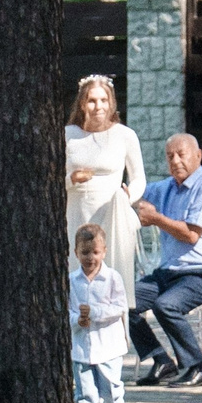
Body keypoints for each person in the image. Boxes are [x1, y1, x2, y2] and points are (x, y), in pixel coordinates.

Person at [130, 133, 202, 387]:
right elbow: (134, 196)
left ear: (198, 156)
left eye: (181, 154)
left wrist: (156, 218)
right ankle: (161, 361)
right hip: (169, 273)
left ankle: (198, 367)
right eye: (169, 155)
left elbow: (191, 235)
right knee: (121, 300)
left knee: (166, 305)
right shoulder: (165, 187)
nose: (175, 161)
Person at [64, 75, 145, 272]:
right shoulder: (68, 135)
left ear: (111, 103)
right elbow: (50, 181)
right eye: (92, 100)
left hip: (112, 211)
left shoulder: (125, 135)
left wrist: (128, 196)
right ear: (82, 103)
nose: (98, 106)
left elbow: (139, 178)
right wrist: (72, 179)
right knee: (77, 270)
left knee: (111, 271)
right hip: (77, 211)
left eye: (103, 100)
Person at [71, 222, 131, 403]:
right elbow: (65, 310)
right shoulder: (71, 281)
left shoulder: (113, 278)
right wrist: (77, 319)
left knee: (110, 388)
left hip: (108, 347)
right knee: (85, 391)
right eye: (85, 252)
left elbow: (119, 307)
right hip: (81, 346)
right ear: (76, 252)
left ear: (104, 251)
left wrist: (94, 313)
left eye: (95, 252)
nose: (90, 258)